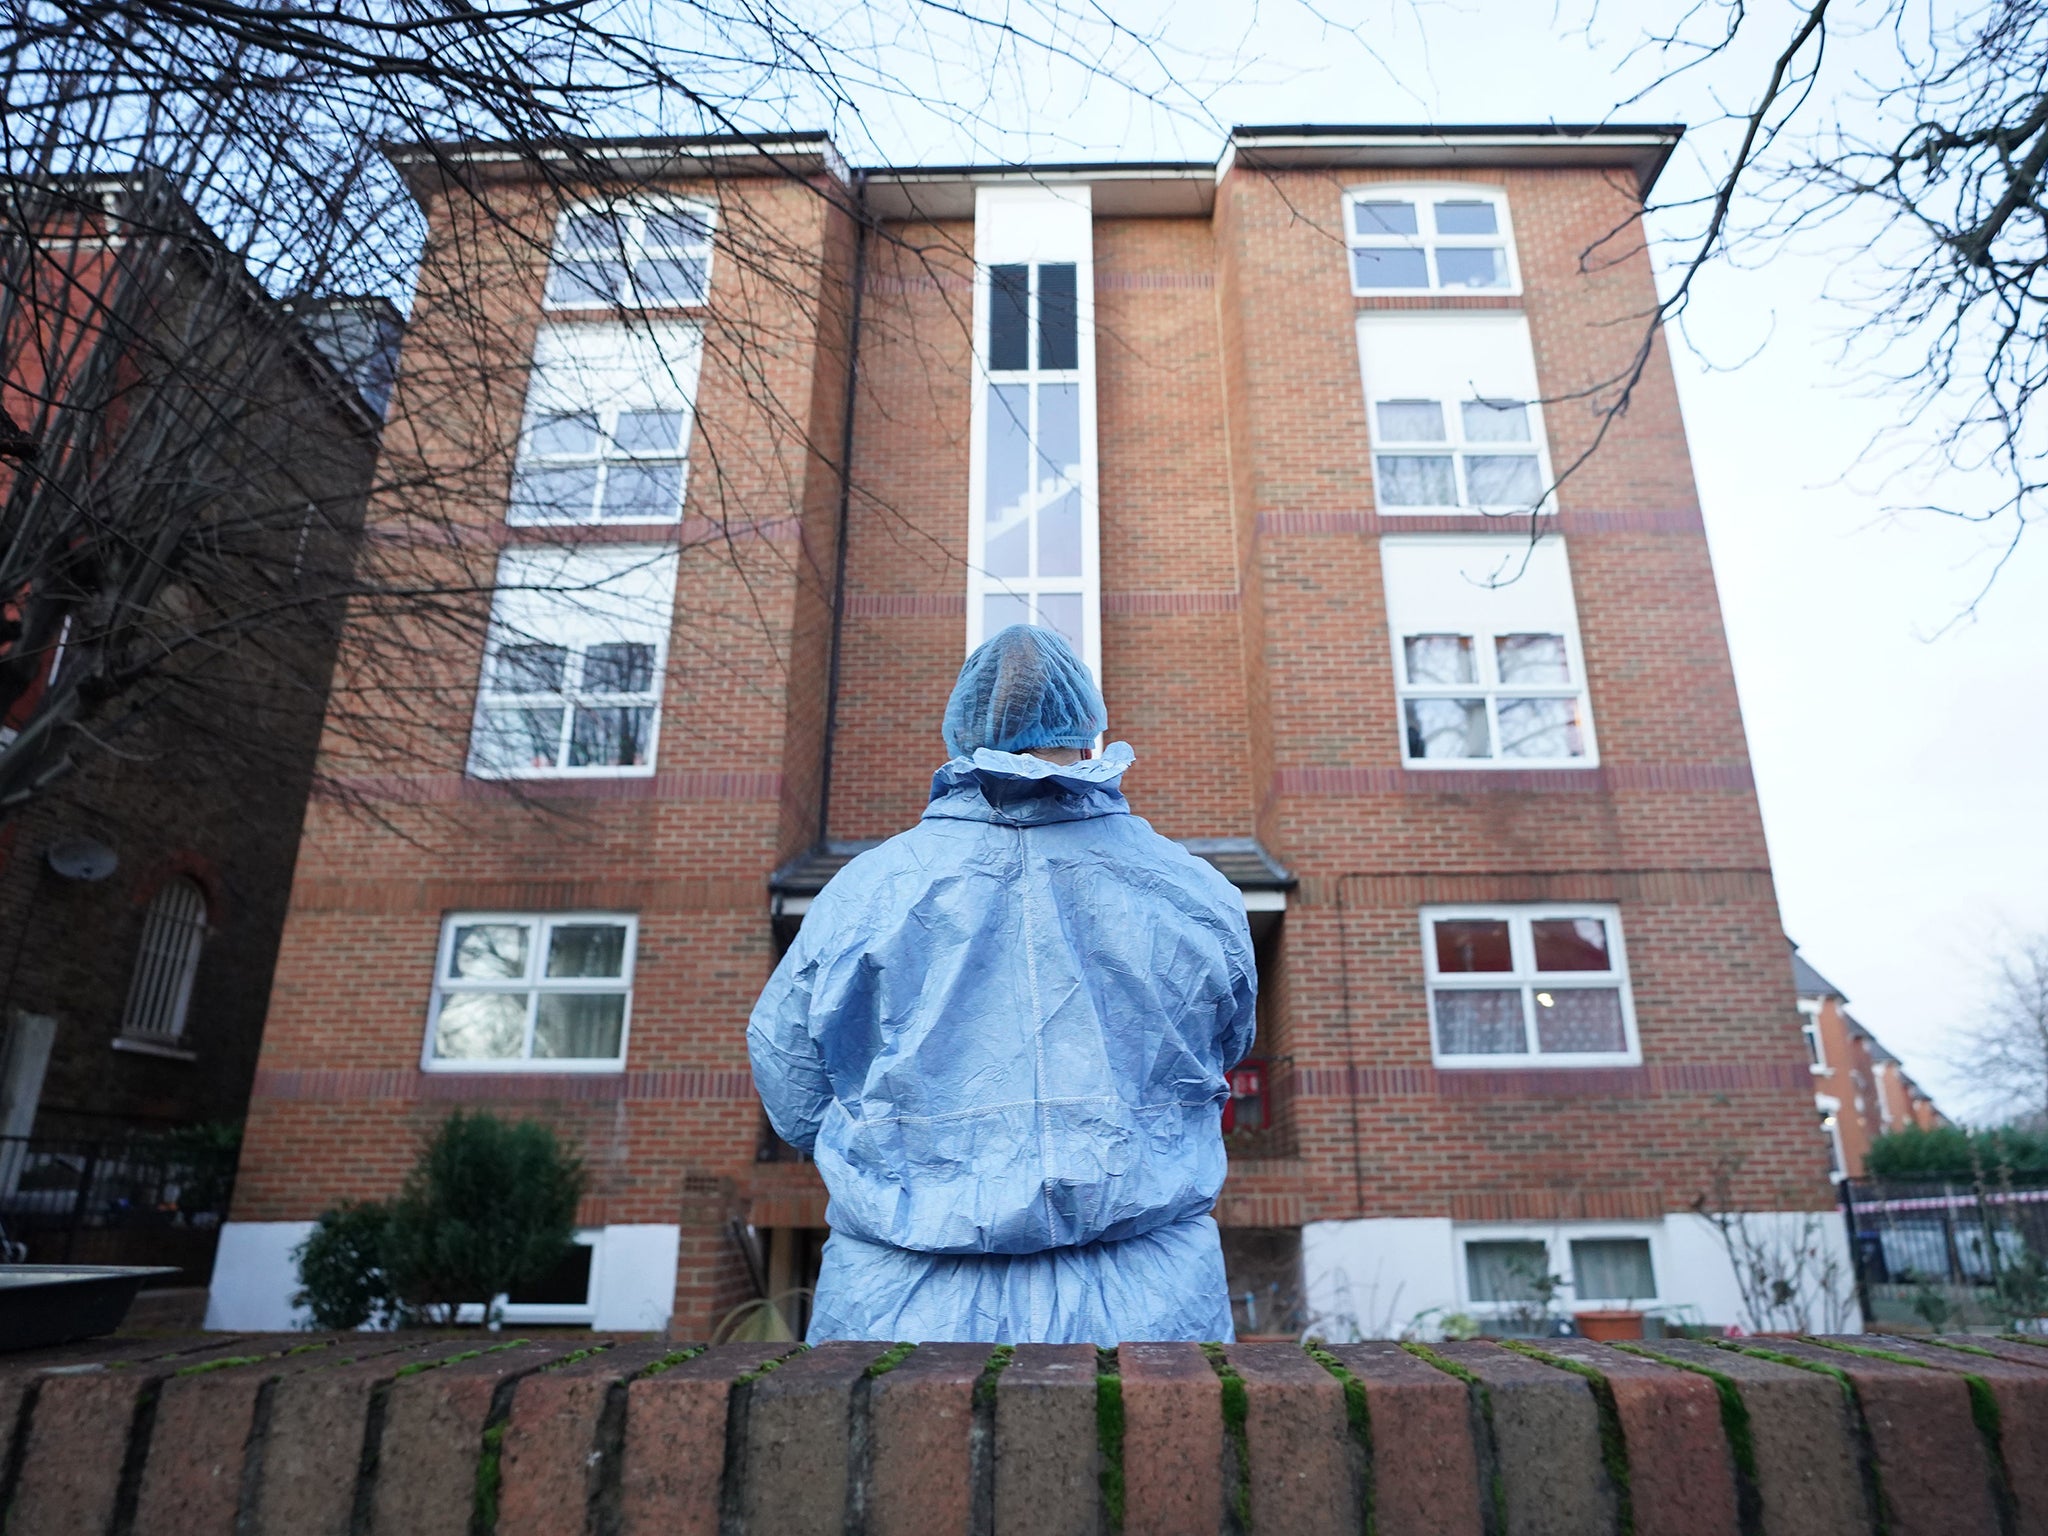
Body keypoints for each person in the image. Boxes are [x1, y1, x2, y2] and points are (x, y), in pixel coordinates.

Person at [747, 624, 1256, 1344]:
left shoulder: (867, 892)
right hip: (1148, 1311)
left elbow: (793, 1093)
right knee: (1150, 1457)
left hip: (907, 1312)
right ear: (1090, 733)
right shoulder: (1193, 890)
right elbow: (1222, 1052)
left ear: (960, 733)